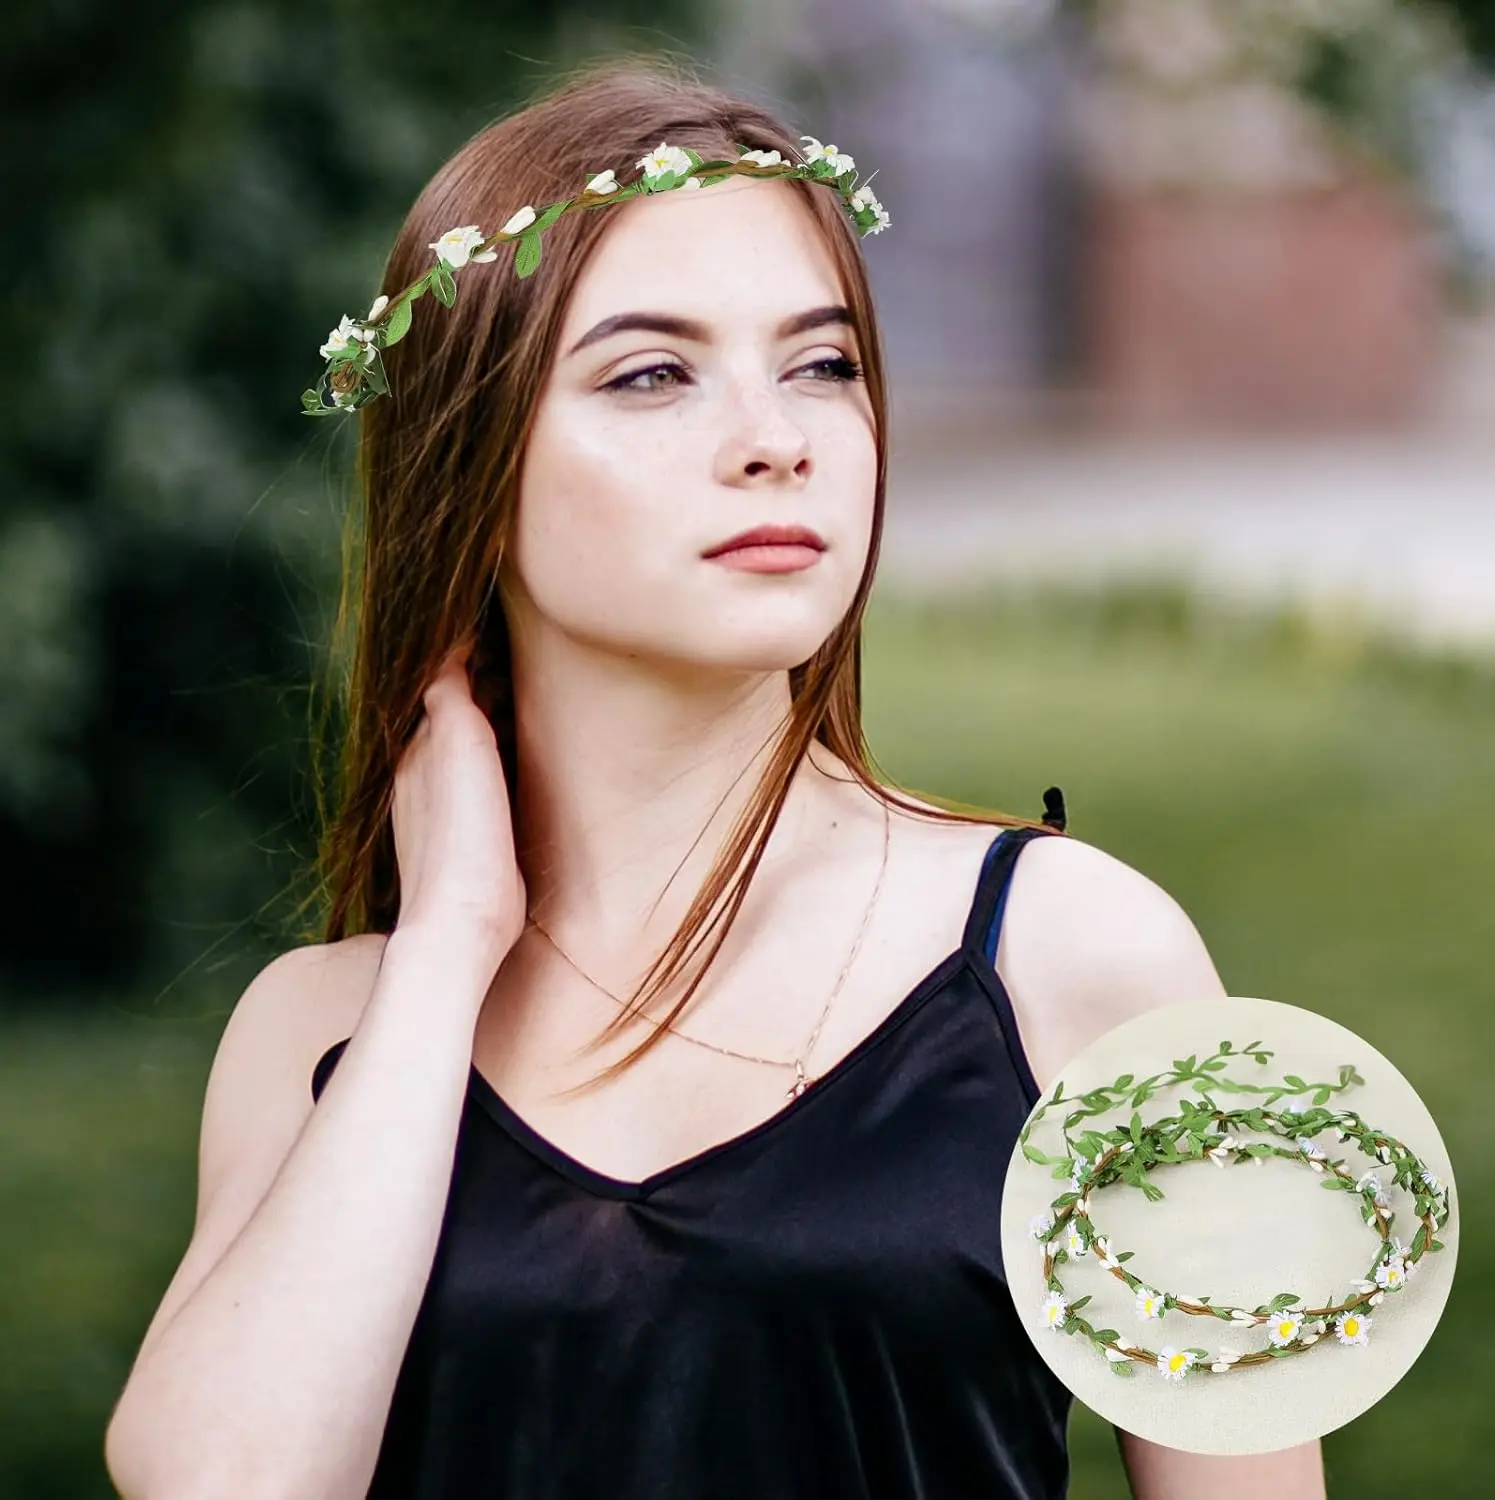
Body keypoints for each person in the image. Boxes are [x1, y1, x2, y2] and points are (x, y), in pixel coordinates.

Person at [104, 55, 1327, 1500]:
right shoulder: (316, 1033)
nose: (777, 441)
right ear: (471, 473)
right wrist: (442, 956)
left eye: (824, 363)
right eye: (651, 374)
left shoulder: (1089, 959)